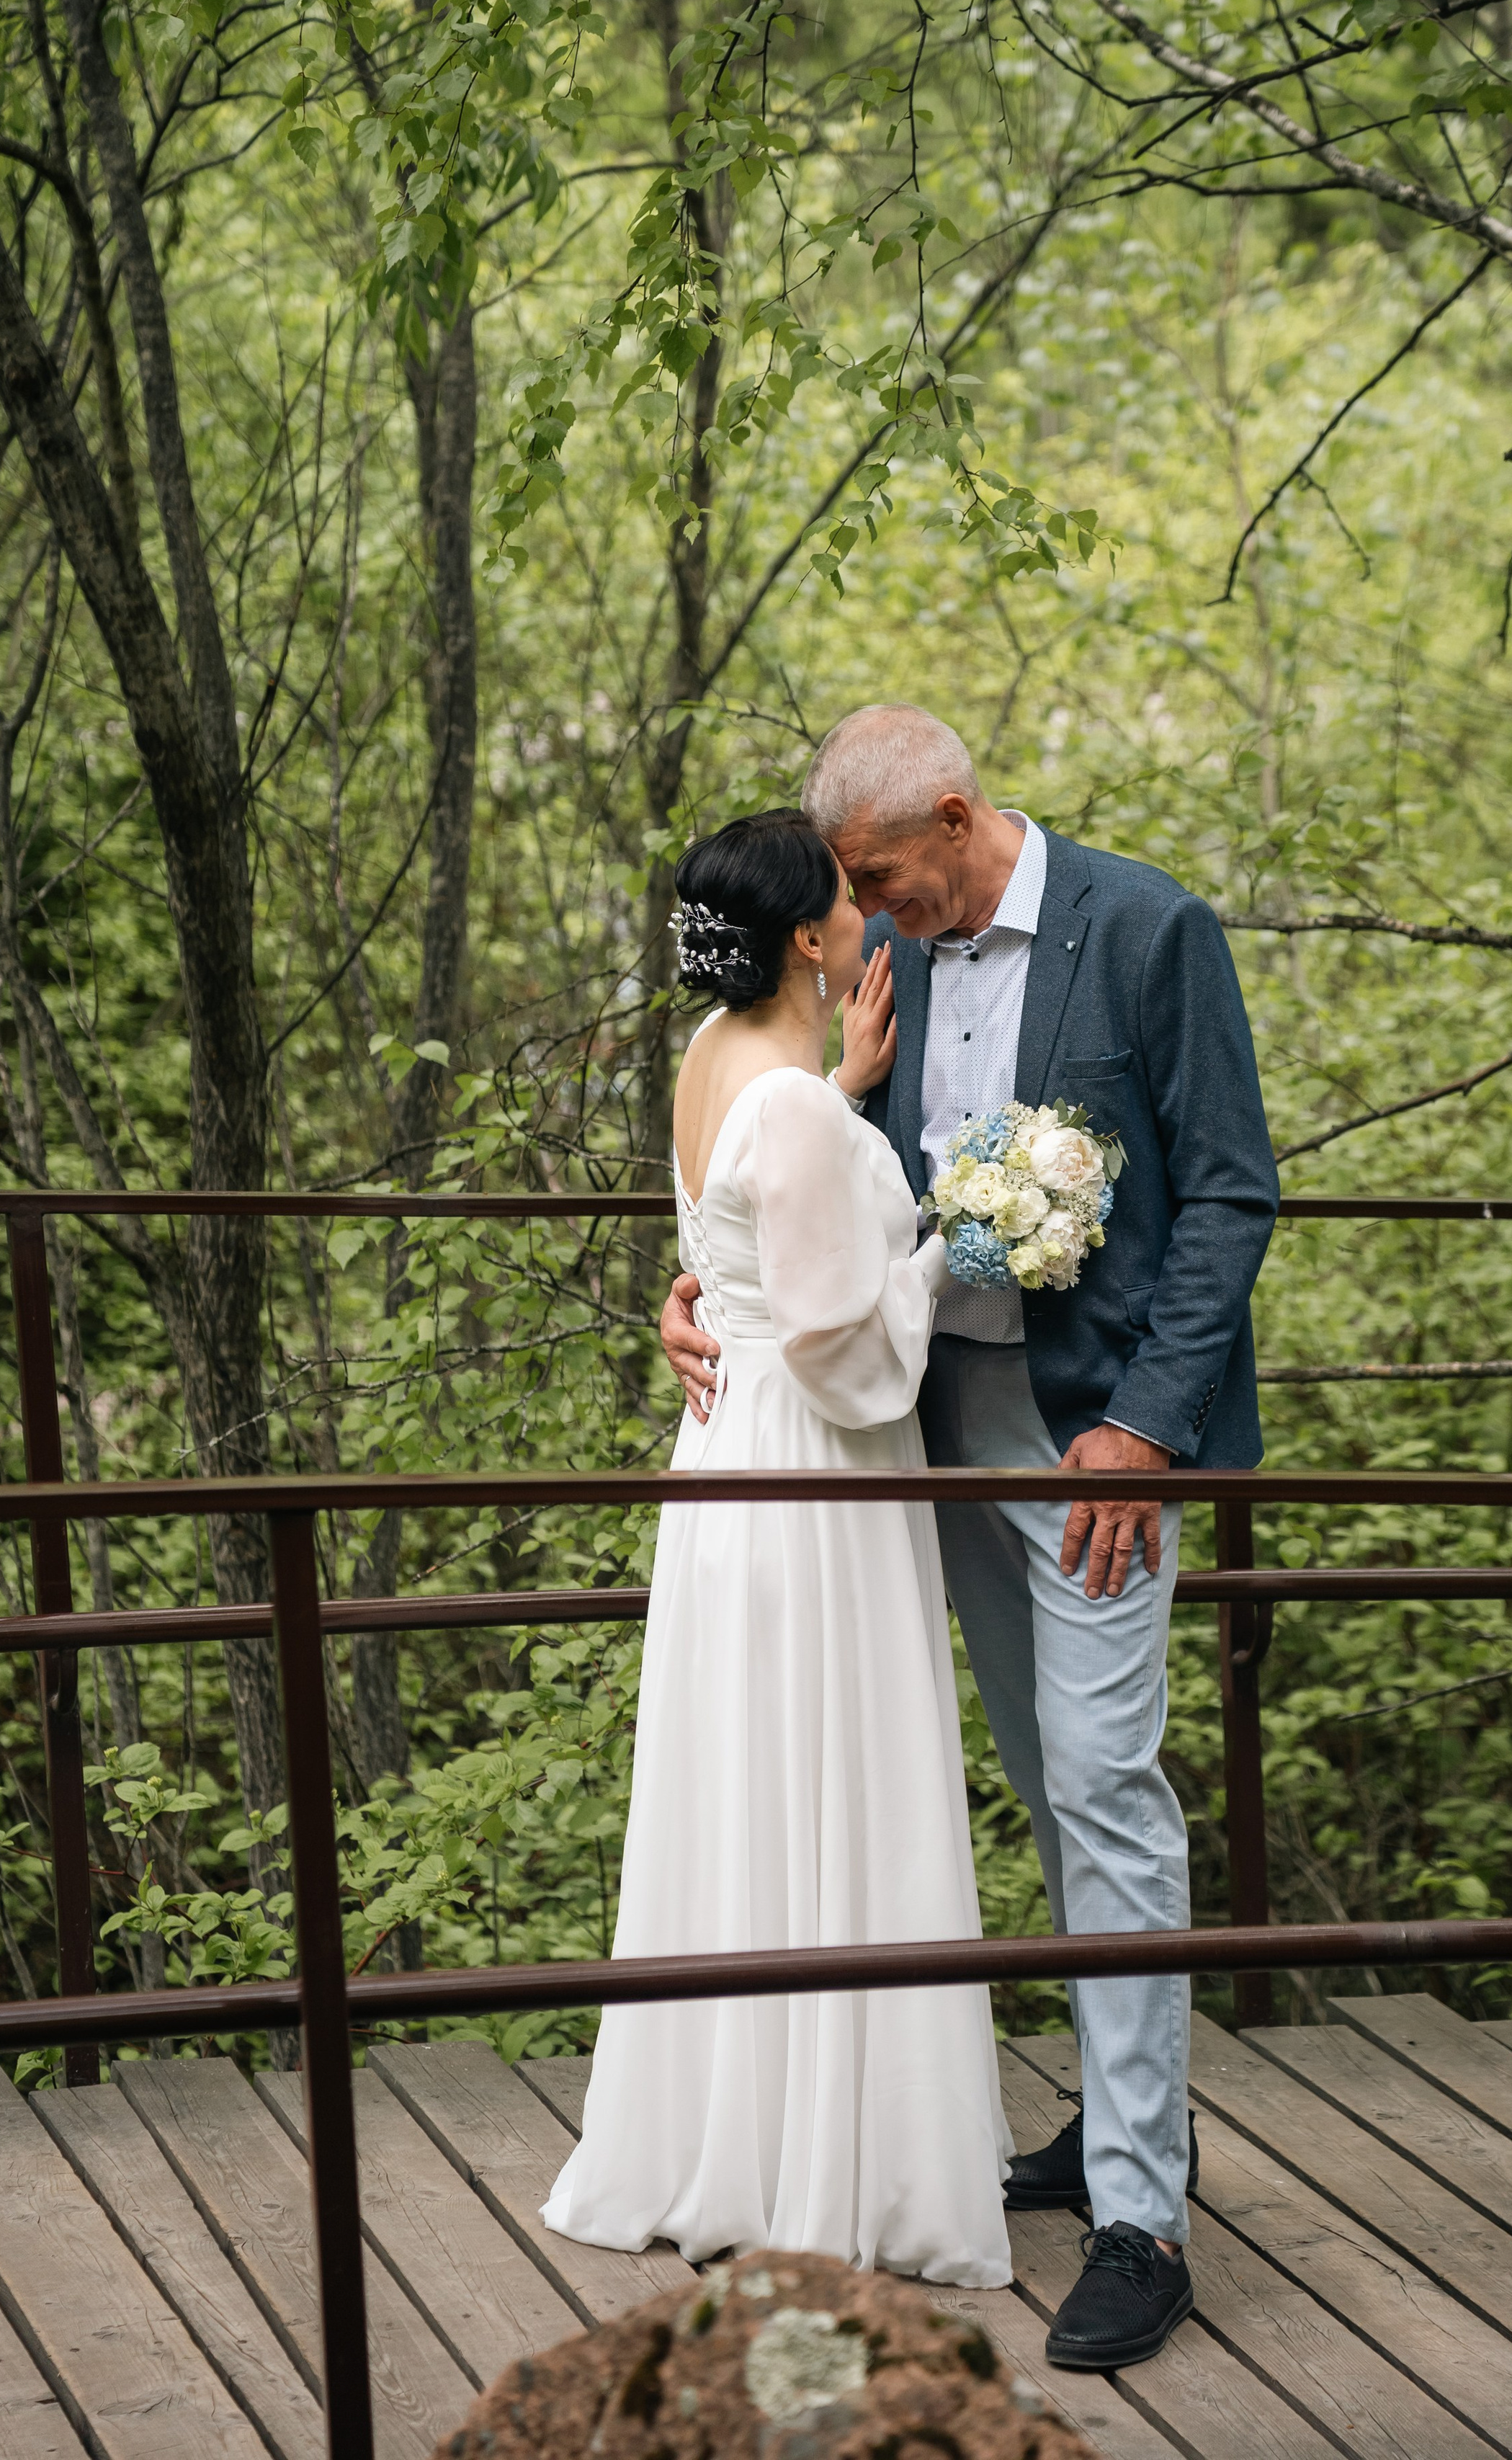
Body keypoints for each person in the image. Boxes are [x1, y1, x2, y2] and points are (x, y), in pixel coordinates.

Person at [661, 711, 1278, 2369]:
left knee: (1103, 1782)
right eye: (847, 891)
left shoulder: (1149, 931)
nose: (857, 913)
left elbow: (1228, 1193)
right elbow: (821, 1165)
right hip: (913, 1440)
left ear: (951, 815)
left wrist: (1144, 1428)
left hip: (1090, 1449)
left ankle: (1143, 2209)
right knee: (1028, 1770)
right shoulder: (895, 961)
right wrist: (708, 1285)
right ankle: (1102, 2122)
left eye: (874, 876)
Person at [544, 808, 1011, 2287]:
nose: (869, 917)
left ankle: (741, 2129)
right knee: (834, 1781)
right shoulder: (800, 1107)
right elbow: (836, 1347)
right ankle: (837, 2162)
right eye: (846, 900)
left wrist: (845, 1087)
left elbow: (744, 1243)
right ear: (810, 936)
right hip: (812, 1476)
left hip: (725, 1461)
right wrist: (957, 1243)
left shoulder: (713, 1063)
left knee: (753, 1789)